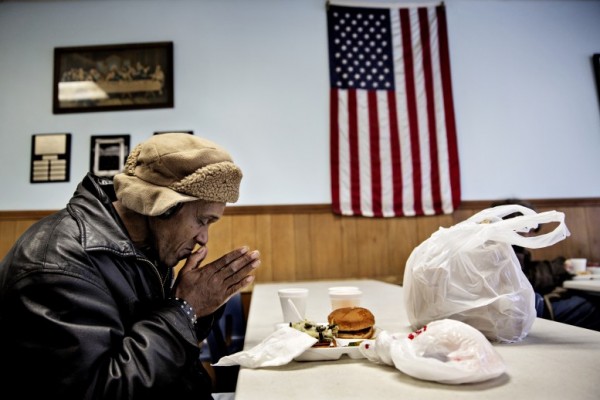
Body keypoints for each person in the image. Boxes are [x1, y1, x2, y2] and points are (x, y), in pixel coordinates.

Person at [0, 133, 261, 399]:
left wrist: (197, 308)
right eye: (203, 220)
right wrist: (185, 308)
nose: (203, 238)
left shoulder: (145, 245)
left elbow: (149, 339)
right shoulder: (55, 265)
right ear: (163, 208)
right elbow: (103, 390)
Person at [491, 198, 600, 331]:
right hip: (523, 310)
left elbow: (527, 271)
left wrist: (558, 267)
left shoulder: (497, 243)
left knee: (583, 299)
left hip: (519, 307)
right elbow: (525, 279)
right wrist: (558, 269)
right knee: (589, 305)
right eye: (529, 228)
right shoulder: (502, 248)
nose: (530, 233)